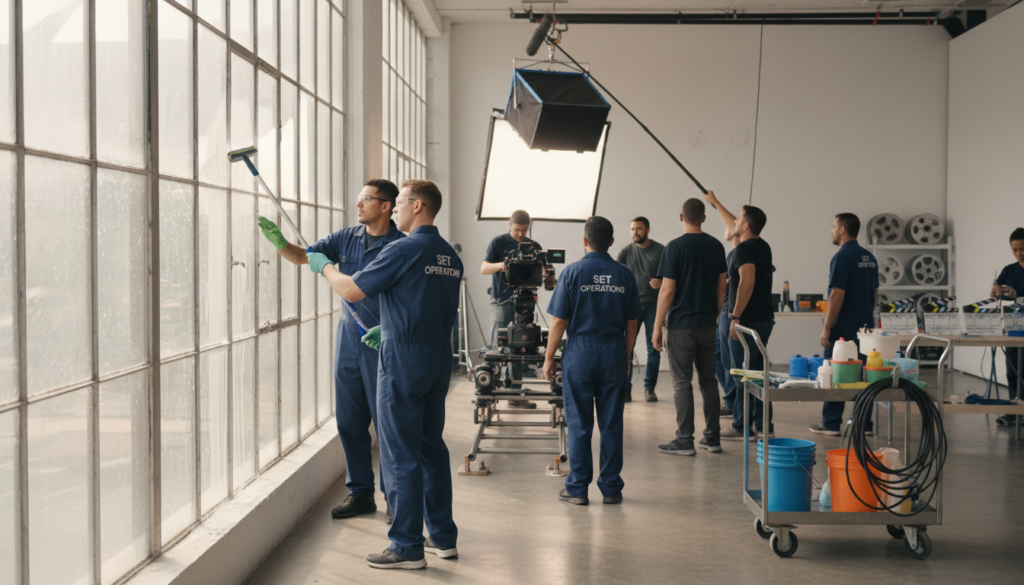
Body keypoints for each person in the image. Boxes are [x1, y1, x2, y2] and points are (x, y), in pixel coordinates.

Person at [309, 180, 462, 570]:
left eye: (401, 204)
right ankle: (442, 538)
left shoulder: (403, 248)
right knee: (431, 447)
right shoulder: (449, 255)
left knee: (399, 452)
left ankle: (407, 546)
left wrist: (324, 266)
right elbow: (422, 300)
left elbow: (352, 290)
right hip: (438, 356)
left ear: (418, 206)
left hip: (404, 358)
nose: (394, 211)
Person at [258, 179, 404, 522]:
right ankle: (361, 493)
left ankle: (394, 497)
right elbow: (306, 258)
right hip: (350, 339)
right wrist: (282, 244)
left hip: (384, 340)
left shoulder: (400, 245)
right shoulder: (346, 238)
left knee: (387, 422)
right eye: (359, 198)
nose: (359, 205)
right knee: (350, 418)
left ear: (385, 206)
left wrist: (392, 328)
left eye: (366, 199)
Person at [543, 217, 640, 506]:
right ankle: (611, 489)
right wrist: (625, 354)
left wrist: (549, 358)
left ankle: (578, 489)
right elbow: (632, 321)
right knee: (611, 424)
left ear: (585, 241)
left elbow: (559, 320)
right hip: (613, 352)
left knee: (579, 423)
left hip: (580, 354)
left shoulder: (572, 272)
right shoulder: (625, 275)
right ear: (611, 242)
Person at [651, 198, 728, 455]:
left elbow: (667, 290)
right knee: (708, 381)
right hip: (708, 324)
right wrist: (715, 314)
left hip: (682, 325)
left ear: (681, 217)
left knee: (681, 383)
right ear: (704, 218)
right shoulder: (717, 246)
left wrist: (657, 325)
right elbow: (721, 287)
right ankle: (713, 438)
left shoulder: (674, 247)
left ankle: (685, 441)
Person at [811, 214, 879, 436]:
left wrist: (827, 326)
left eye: (833, 227)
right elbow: (875, 293)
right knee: (865, 375)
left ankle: (831, 423)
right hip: (866, 327)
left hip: (844, 327)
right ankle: (863, 424)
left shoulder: (842, 257)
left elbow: (837, 294)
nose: (830, 231)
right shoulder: (869, 257)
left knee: (835, 374)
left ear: (842, 230)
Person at [480, 210, 555, 408]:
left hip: (524, 303)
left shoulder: (534, 247)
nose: (521, 234)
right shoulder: (498, 242)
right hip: (501, 302)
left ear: (529, 226)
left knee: (519, 348)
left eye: (524, 230)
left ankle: (515, 395)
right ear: (509, 225)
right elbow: (484, 268)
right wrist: (502, 265)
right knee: (496, 347)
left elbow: (545, 274)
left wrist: (549, 276)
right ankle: (489, 391)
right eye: (517, 230)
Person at [721, 203, 775, 440]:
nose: (733, 222)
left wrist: (735, 316)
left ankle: (741, 427)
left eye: (738, 219)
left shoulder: (743, 249)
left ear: (745, 225)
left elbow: (748, 281)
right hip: (763, 318)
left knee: (741, 373)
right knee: (756, 373)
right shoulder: (764, 246)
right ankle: (763, 426)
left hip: (747, 321)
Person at [616, 216, 665, 403]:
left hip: (654, 305)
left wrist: (661, 282)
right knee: (626, 348)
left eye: (639, 229)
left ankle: (649, 388)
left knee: (654, 348)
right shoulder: (626, 250)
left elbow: (671, 276)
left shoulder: (660, 250)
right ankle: (626, 389)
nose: (635, 232)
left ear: (648, 230)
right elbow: (615, 270)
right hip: (631, 305)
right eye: (632, 229)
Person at [704, 191, 742, 417]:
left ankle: (733, 403)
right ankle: (730, 397)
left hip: (730, 312)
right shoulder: (731, 254)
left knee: (729, 360)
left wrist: (715, 203)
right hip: (724, 311)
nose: (725, 227)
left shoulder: (739, 251)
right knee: (718, 356)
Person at [991, 228, 1024, 427]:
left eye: (1022, 249)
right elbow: (993, 293)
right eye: (1015, 250)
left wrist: (1017, 296)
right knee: (1013, 371)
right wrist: (996, 291)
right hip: (1013, 327)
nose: (1019, 253)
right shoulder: (1009, 270)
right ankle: (1013, 410)